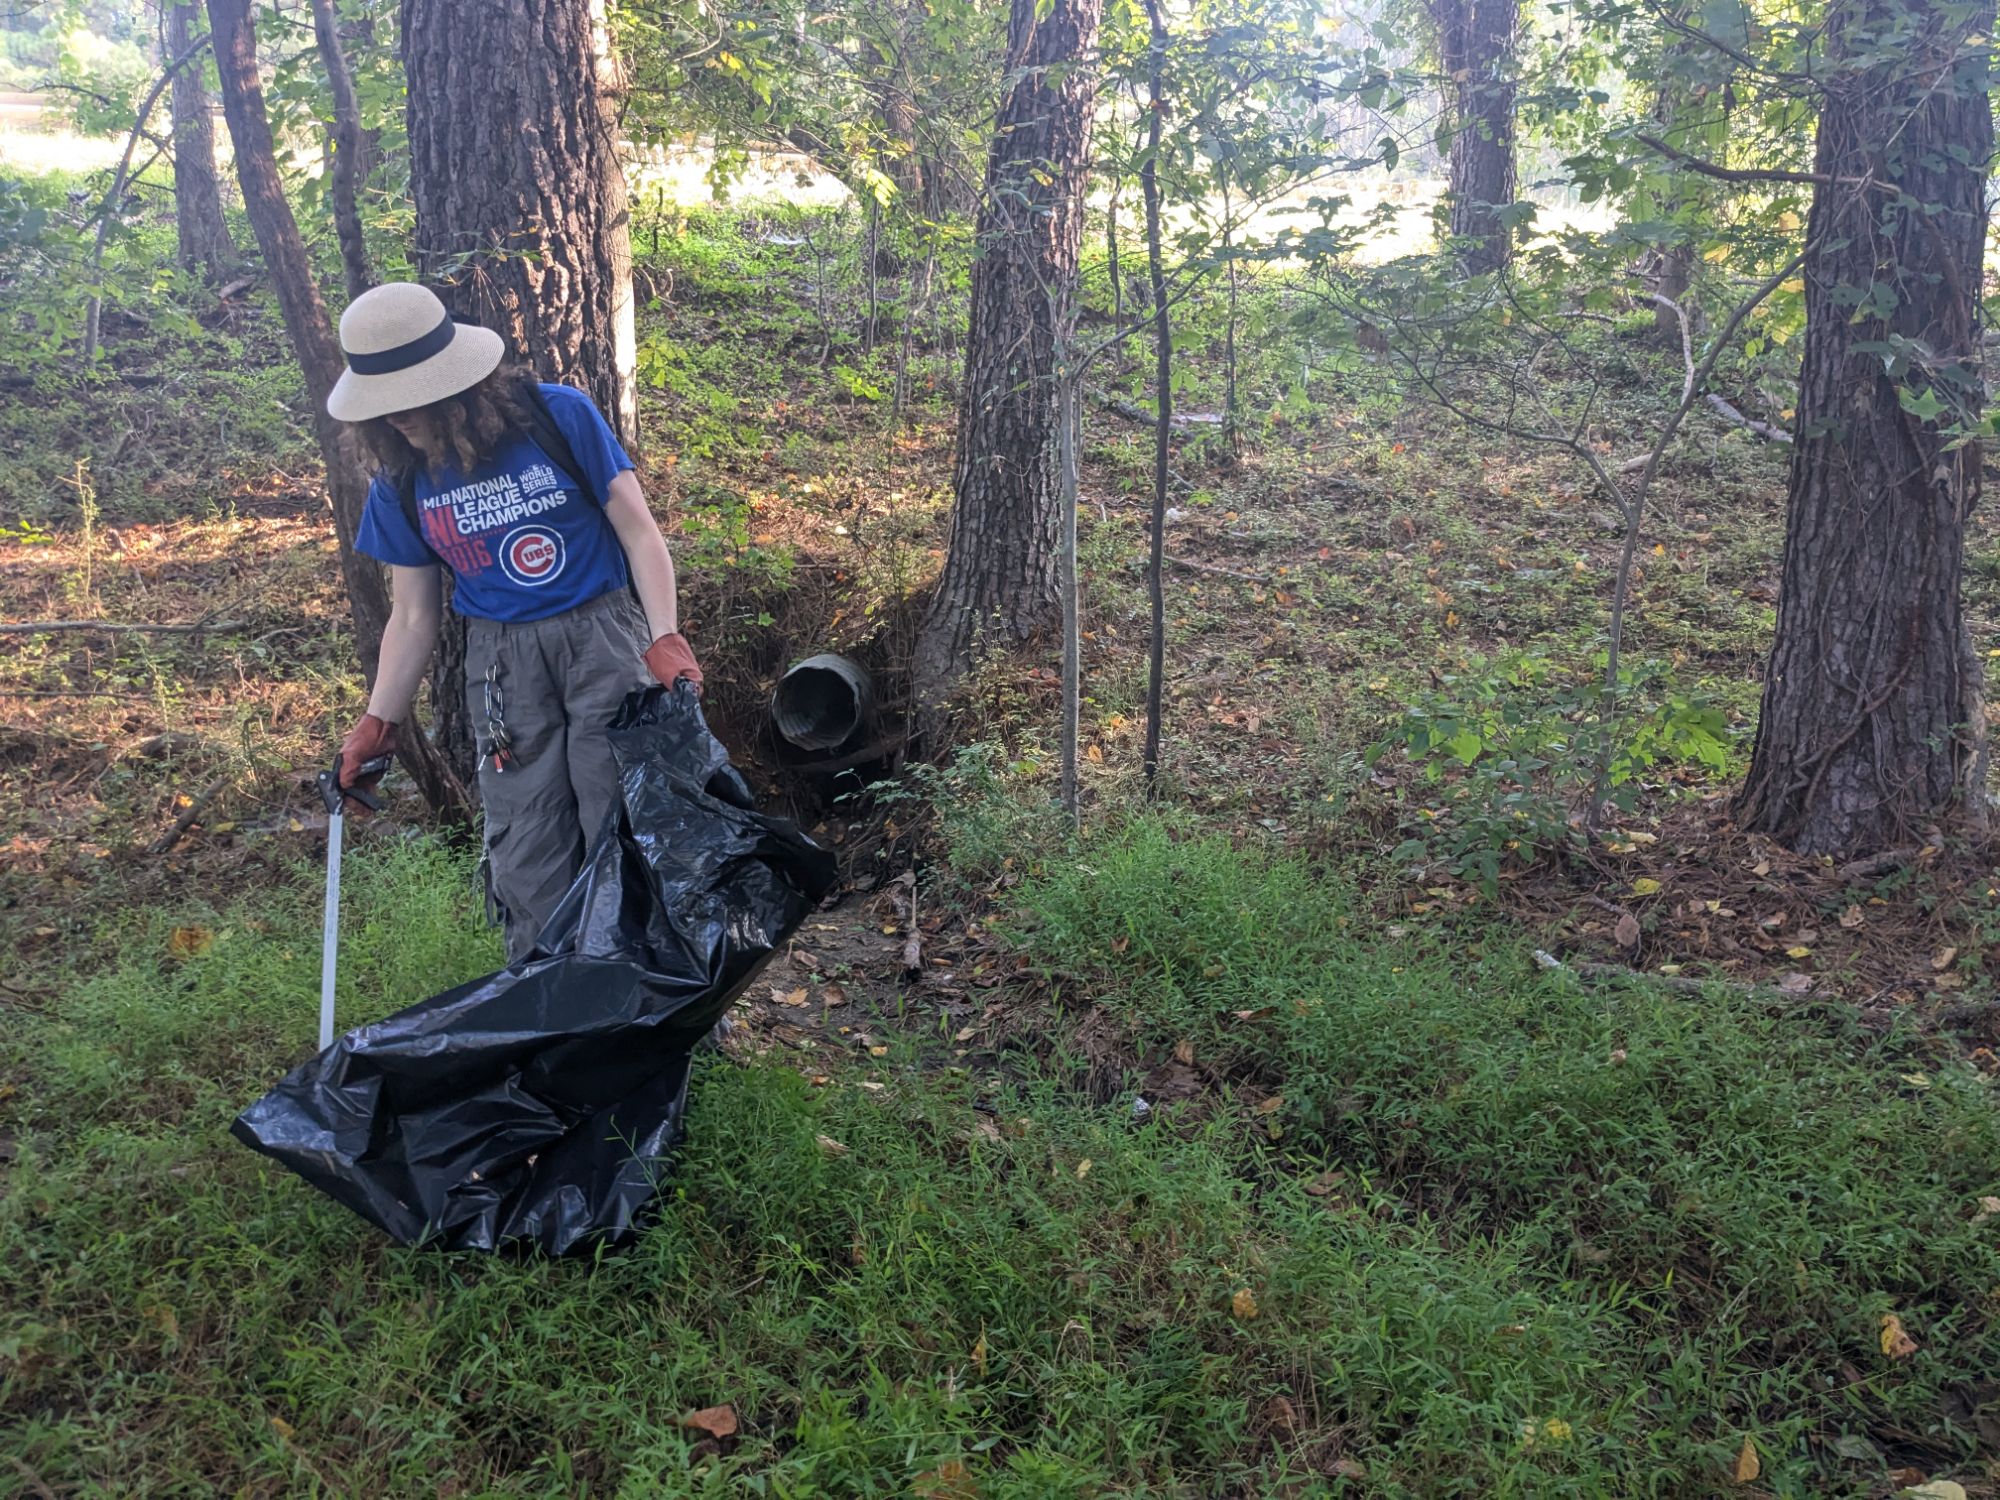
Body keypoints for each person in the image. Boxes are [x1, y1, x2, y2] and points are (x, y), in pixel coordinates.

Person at [326, 281, 701, 962]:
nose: (400, 417)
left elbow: (638, 531)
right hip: (503, 669)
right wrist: (379, 722)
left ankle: (662, 1009)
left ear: (456, 383)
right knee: (527, 844)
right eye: (384, 405)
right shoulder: (402, 480)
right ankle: (552, 1017)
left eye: (412, 397)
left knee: (620, 819)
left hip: (605, 643)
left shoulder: (556, 418)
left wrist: (663, 635)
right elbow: (412, 614)